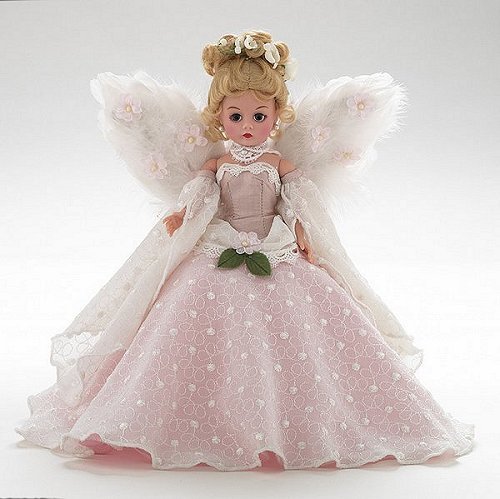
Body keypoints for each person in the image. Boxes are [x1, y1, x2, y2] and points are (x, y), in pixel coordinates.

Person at [15, 30, 474, 471]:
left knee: (312, 323)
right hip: (220, 247)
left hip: (275, 249)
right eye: (236, 116)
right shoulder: (217, 163)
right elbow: (200, 199)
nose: (248, 126)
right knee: (180, 317)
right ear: (219, 116)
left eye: (259, 116)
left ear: (277, 115)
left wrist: (304, 234)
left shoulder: (279, 163)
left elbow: (297, 204)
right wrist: (181, 216)